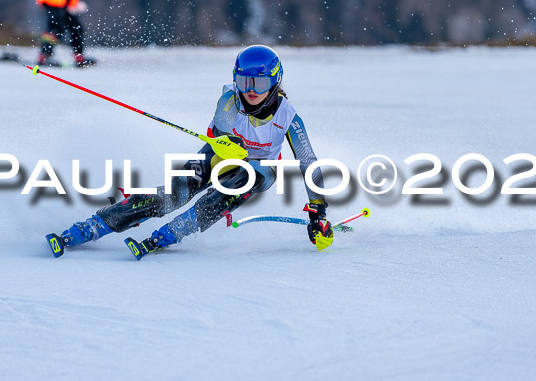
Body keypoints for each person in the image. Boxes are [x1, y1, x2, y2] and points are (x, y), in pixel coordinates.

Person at [46, 45, 334, 259]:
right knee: (176, 193)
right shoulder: (229, 99)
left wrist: (317, 211)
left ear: (275, 81)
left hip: (260, 168)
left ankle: (177, 229)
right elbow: (220, 128)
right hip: (223, 153)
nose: (251, 91)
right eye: (245, 82)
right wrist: (227, 141)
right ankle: (97, 224)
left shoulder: (289, 117)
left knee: (242, 180)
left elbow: (309, 163)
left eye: (259, 83)